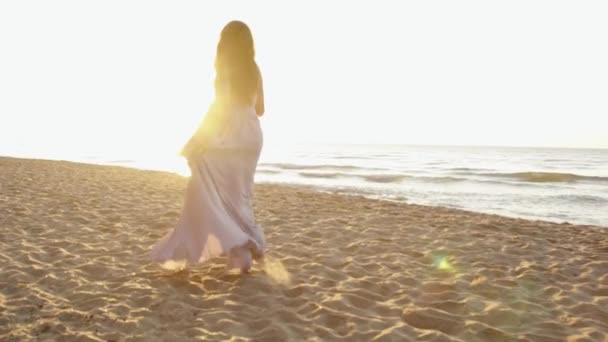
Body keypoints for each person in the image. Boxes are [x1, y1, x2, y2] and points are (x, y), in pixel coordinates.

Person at [150, 20, 266, 273]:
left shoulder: (224, 71)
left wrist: (196, 141)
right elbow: (260, 109)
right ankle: (242, 252)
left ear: (224, 43)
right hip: (252, 138)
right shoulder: (254, 70)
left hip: (230, 136)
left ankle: (236, 250)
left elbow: (218, 112)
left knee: (202, 190)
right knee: (239, 195)